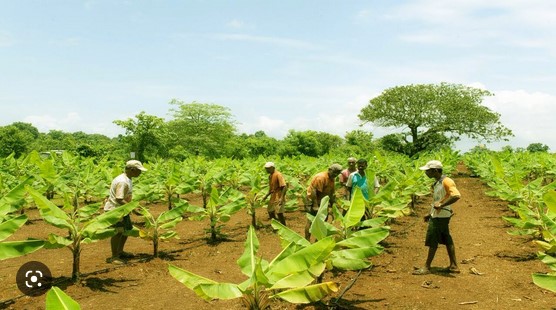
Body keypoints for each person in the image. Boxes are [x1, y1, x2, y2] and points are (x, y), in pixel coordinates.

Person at [413, 160, 461, 275]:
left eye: (428, 171)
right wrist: (430, 213)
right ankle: (454, 265)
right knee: (446, 238)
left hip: (441, 216)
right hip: (440, 214)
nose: (426, 173)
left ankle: (427, 267)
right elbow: (439, 200)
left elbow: (456, 195)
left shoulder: (447, 181)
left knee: (433, 239)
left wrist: (442, 205)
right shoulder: (437, 183)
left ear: (435, 170)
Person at [104, 159, 147, 264]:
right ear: (132, 169)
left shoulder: (127, 178)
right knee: (117, 232)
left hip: (123, 209)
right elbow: (119, 198)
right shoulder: (122, 181)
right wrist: (132, 208)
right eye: (139, 170)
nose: (140, 173)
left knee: (126, 231)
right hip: (116, 210)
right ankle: (114, 257)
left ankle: (120, 251)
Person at [304, 163, 343, 240]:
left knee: (323, 221)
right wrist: (315, 205)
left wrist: (332, 206)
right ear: (329, 170)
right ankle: (307, 240)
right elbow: (314, 191)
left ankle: (317, 240)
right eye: (334, 171)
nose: (335, 174)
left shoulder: (332, 179)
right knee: (311, 221)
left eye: (337, 173)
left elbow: (331, 193)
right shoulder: (321, 177)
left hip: (322, 202)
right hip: (312, 201)